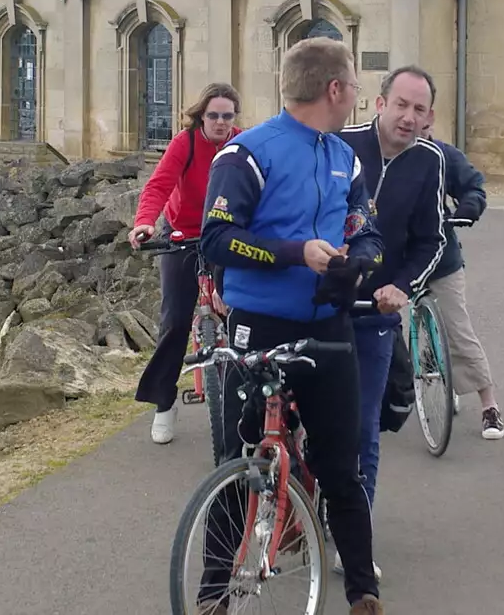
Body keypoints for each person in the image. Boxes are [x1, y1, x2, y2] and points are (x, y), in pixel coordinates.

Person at [198, 38, 387, 615]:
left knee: (341, 465)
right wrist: (294, 253)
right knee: (237, 459)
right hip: (260, 324)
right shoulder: (246, 155)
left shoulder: (345, 158)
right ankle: (211, 595)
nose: (357, 94)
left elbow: (366, 230)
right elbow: (216, 241)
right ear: (335, 89)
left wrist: (362, 264)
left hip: (329, 325)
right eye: (354, 85)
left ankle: (363, 594)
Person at [339, 66, 448, 511]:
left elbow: (432, 240)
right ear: (380, 103)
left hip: (375, 313)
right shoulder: (342, 144)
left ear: (429, 118)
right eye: (401, 104)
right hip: (322, 304)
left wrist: (403, 287)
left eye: (418, 109)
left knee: (364, 428)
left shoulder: (429, 161)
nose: (408, 116)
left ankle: (355, 535)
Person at [129, 82, 241, 445]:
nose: (221, 122)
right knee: (175, 321)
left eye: (227, 115)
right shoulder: (186, 143)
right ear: (201, 116)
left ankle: (247, 395)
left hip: (225, 233)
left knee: (242, 312)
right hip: (182, 233)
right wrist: (145, 222)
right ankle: (164, 404)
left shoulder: (243, 143)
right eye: (213, 115)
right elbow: (159, 185)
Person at [419, 126, 504, 440]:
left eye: (421, 115)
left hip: (440, 254)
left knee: (458, 329)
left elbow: (473, 186)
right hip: (393, 257)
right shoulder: (381, 153)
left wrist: (468, 208)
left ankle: (489, 406)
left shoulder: (443, 155)